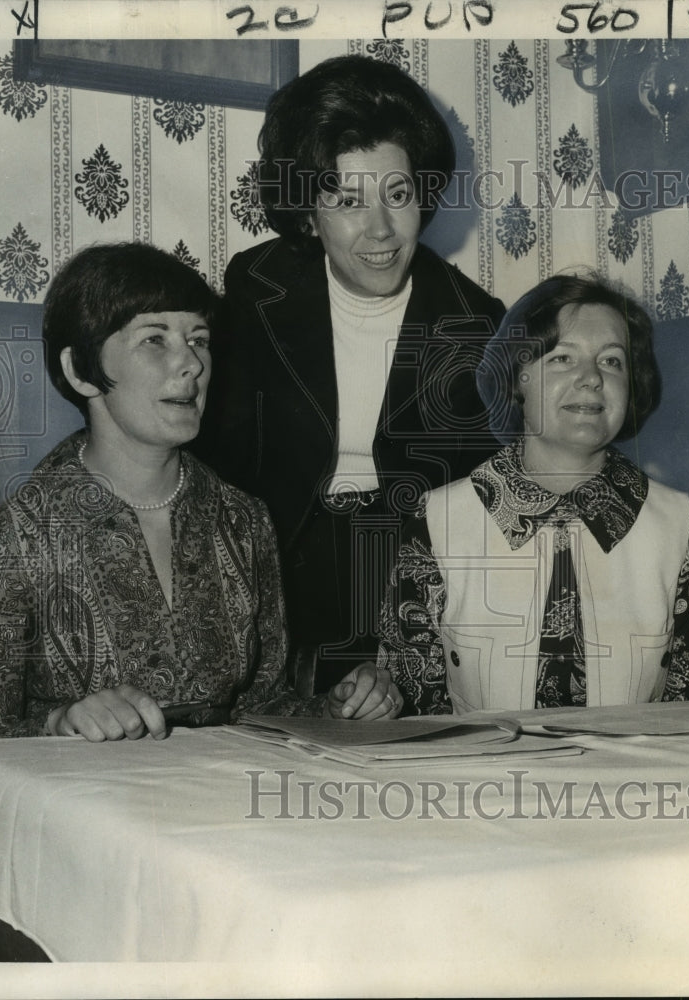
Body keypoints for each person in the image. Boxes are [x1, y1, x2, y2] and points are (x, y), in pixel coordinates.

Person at [0, 242, 402, 740]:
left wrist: (336, 711)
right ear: (81, 371)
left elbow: (262, 704)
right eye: (155, 340)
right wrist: (59, 722)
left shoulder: (244, 519)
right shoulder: (13, 536)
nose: (192, 365)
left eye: (199, 340)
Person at [192, 54, 506, 694]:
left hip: (409, 583)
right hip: (273, 570)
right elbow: (217, 467)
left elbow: (478, 519)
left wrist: (407, 649)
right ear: (309, 214)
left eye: (398, 195)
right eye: (346, 201)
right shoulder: (257, 290)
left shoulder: (476, 322)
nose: (382, 230)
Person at [377, 273, 689, 715]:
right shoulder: (437, 521)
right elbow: (410, 716)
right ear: (517, 377)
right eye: (563, 357)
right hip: (476, 785)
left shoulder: (681, 525)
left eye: (612, 361)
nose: (591, 379)